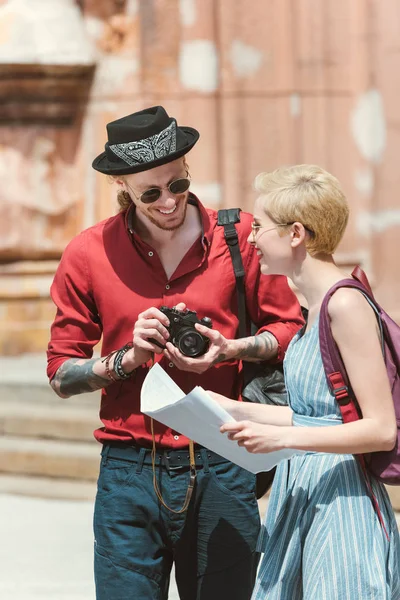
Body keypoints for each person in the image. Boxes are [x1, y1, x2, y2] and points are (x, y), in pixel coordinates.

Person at [46, 106, 304, 600]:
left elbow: (291, 326)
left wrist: (231, 348)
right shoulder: (88, 253)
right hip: (128, 469)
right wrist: (126, 358)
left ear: (187, 170)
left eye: (177, 185)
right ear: (121, 187)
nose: (168, 202)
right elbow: (60, 373)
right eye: (150, 192)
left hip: (222, 460)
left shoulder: (240, 238)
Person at [210, 164, 400, 599]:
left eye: (259, 226)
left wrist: (281, 441)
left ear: (296, 233)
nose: (251, 237)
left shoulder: (345, 305)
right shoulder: (313, 308)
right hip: (304, 488)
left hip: (342, 500)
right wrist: (229, 407)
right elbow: (316, 412)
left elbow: (380, 428)